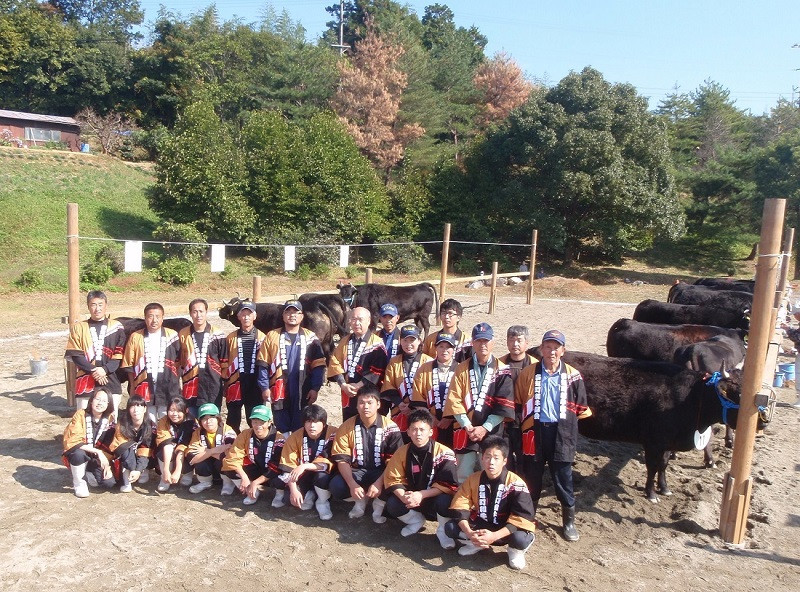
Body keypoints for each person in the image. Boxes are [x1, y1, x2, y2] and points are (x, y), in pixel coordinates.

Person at [514, 329, 592, 542]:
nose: (551, 351)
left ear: (563, 350)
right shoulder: (528, 373)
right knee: (531, 476)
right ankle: (528, 517)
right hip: (533, 432)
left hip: (562, 434)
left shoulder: (574, 376)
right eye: (547, 347)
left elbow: (581, 408)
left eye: (556, 347)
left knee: (563, 477)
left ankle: (568, 521)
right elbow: (519, 403)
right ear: (541, 349)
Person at [445, 435, 536, 570]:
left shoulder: (516, 483)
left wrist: (494, 536)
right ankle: (475, 543)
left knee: (520, 538)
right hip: (483, 524)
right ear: (482, 458)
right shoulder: (473, 479)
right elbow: (460, 505)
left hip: (506, 529)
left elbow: (522, 517)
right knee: (451, 527)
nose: (491, 462)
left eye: (496, 458)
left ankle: (515, 551)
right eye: (487, 457)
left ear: (505, 461)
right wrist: (470, 533)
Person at [444, 323, 514, 483]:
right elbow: (454, 399)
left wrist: (484, 428)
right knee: (462, 473)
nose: (483, 345)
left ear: (493, 342)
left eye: (486, 341)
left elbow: (504, 404)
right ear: (473, 343)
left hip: (492, 429)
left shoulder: (503, 370)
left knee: (493, 472)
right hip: (465, 429)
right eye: (479, 341)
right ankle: (464, 507)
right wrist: (467, 426)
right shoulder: (461, 368)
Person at [382, 409, 459, 548]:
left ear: (431, 431)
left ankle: (442, 531)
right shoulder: (401, 452)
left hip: (433, 497)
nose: (418, 434)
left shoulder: (445, 453)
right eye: (414, 429)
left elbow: (448, 485)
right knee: (393, 503)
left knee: (446, 501)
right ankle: (415, 521)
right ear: (408, 431)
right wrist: (404, 496)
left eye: (422, 430)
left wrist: (421, 494)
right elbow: (393, 478)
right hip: (411, 498)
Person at [329, 384, 404, 523]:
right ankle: (360, 500)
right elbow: (342, 459)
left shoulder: (391, 428)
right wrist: (352, 484)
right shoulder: (347, 426)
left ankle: (379, 503)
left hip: (382, 472)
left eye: (370, 402)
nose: (366, 406)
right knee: (337, 486)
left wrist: (379, 483)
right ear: (356, 405)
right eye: (361, 402)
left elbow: (394, 462)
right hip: (357, 471)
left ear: (378, 404)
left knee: (396, 485)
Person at [257, 300, 327, 434]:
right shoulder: (272, 336)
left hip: (303, 389)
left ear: (302, 316)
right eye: (288, 312)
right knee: (281, 423)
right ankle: (282, 450)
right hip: (278, 388)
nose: (292, 315)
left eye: (296, 312)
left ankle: (298, 451)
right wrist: (264, 387)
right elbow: (263, 364)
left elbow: (318, 365)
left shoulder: (311, 338)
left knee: (301, 423)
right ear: (282, 316)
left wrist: (315, 387)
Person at [64, 290, 127, 414]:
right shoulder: (79, 328)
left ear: (105, 305)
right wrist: (94, 370)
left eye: (100, 304)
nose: (97, 308)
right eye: (93, 305)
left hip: (110, 380)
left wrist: (105, 370)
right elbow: (76, 355)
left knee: (110, 421)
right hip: (85, 381)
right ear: (88, 306)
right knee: (84, 420)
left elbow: (119, 355)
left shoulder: (116, 327)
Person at [121, 302, 181, 422]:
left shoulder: (172, 335)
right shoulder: (135, 337)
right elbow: (129, 364)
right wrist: (132, 387)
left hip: (167, 387)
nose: (154, 320)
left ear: (163, 318)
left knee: (167, 421)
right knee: (147, 422)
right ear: (145, 318)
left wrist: (176, 383)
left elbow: (179, 361)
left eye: (158, 317)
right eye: (150, 316)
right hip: (144, 386)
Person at [328, 306, 388, 422]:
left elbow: (377, 371)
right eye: (353, 319)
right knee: (349, 423)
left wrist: (358, 385)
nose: (356, 323)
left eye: (360, 319)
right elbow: (335, 362)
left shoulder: (376, 343)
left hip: (369, 392)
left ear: (369, 321)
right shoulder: (345, 341)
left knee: (369, 424)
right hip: (348, 391)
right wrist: (343, 384)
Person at [279, 404, 337, 520]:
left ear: (324, 423)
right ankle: (309, 493)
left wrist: (305, 466)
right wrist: (294, 490)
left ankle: (322, 501)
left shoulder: (333, 433)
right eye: (308, 422)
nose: (312, 426)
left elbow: (329, 461)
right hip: (302, 474)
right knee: (288, 498)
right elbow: (287, 465)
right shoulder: (295, 436)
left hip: (326, 473)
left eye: (316, 422)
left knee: (322, 477)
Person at [221, 405, 286, 507]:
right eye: (255, 422)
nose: (258, 426)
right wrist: (244, 477)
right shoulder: (245, 434)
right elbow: (232, 457)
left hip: (272, 472)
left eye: (262, 422)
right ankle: (251, 491)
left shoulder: (279, 439)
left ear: (269, 422)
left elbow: (276, 467)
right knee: (229, 468)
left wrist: (255, 482)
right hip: (255, 466)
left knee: (281, 478)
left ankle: (279, 495)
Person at [222, 302, 269, 432]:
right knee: (232, 418)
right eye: (243, 314)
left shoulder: (263, 337)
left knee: (255, 417)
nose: (246, 317)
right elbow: (225, 362)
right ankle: (231, 445)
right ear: (238, 316)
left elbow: (267, 363)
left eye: (249, 314)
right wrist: (225, 382)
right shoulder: (230, 338)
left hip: (256, 384)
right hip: (235, 383)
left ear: (255, 316)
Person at [62, 388, 116, 497]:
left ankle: (88, 473)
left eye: (104, 401)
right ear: (91, 400)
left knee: (109, 483)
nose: (100, 403)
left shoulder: (110, 419)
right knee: (78, 454)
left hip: (97, 458)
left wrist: (107, 465)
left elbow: (110, 446)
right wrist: (97, 452)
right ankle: (79, 483)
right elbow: (73, 440)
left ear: (108, 404)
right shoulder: (80, 414)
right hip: (81, 452)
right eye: (97, 399)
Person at [179, 298, 227, 418]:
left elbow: (225, 362)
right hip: (190, 386)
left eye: (201, 311)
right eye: (195, 312)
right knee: (192, 422)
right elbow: (179, 361)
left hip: (213, 386)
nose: (198, 315)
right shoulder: (182, 334)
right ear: (190, 313)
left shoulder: (217, 334)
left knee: (211, 422)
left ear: (206, 312)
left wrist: (225, 385)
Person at [380, 325, 432, 433]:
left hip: (422, 411)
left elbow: (431, 388)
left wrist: (413, 405)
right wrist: (400, 403)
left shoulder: (429, 362)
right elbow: (388, 385)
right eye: (405, 340)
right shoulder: (394, 362)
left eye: (412, 340)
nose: (409, 344)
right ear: (400, 341)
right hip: (399, 410)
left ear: (419, 341)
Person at [411, 333, 459, 448]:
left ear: (454, 349)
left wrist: (449, 418)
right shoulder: (424, 369)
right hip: (430, 422)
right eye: (441, 346)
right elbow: (418, 397)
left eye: (448, 347)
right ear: (435, 348)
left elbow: (464, 397)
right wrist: (432, 418)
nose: (444, 350)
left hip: (455, 423)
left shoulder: (461, 369)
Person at [498, 325, 536, 471]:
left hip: (526, 420)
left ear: (527, 342)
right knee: (504, 458)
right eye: (511, 340)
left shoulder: (535, 365)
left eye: (519, 340)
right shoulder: (498, 364)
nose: (515, 344)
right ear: (507, 342)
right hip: (504, 420)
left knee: (525, 459)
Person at [185, 403, 238, 495]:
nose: (208, 421)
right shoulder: (198, 433)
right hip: (208, 470)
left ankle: (228, 483)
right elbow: (192, 457)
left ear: (218, 419)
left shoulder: (228, 430)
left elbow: (229, 456)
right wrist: (213, 451)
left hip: (223, 470)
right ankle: (205, 482)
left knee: (223, 459)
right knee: (200, 460)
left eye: (211, 418)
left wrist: (206, 452)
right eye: (204, 418)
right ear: (200, 421)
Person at [109, 395, 156, 492]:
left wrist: (138, 469)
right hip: (126, 456)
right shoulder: (122, 423)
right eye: (132, 406)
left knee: (151, 451)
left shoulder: (150, 425)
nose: (135, 410)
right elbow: (121, 445)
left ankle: (143, 471)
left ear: (144, 409)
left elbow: (147, 447)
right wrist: (132, 467)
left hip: (145, 455)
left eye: (139, 406)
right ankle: (126, 481)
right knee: (125, 449)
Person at [154, 397, 196, 492]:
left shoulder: (192, 422)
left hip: (184, 451)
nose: (174, 414)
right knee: (162, 450)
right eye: (171, 410)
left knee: (191, 451)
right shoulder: (163, 421)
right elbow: (165, 443)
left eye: (178, 411)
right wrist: (165, 470)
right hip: (170, 449)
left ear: (186, 411)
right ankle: (164, 477)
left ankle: (187, 473)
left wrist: (178, 470)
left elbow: (185, 445)